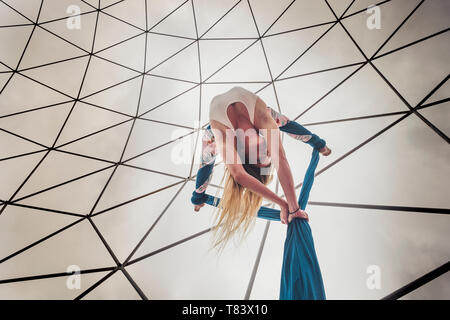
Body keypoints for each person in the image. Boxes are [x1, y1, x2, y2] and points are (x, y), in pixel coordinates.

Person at [192, 86, 331, 251]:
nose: (267, 148)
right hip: (258, 116)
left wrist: (198, 196)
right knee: (280, 121)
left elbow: (233, 173)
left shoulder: (219, 136)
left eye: (260, 157)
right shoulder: (265, 118)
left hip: (219, 132)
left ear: (244, 156)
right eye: (268, 153)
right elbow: (289, 130)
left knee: (207, 155)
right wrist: (318, 144)